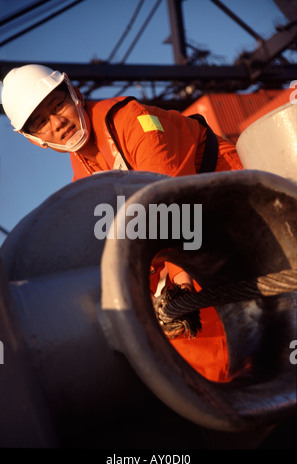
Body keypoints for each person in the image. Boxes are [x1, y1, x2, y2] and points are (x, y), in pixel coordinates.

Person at [1, 64, 244, 381]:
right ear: (34, 139)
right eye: (41, 123)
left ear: (74, 93)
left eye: (57, 105)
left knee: (214, 345)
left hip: (234, 210)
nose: (57, 123)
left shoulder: (131, 120)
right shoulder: (83, 174)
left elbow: (172, 202)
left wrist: (179, 281)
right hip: (196, 237)